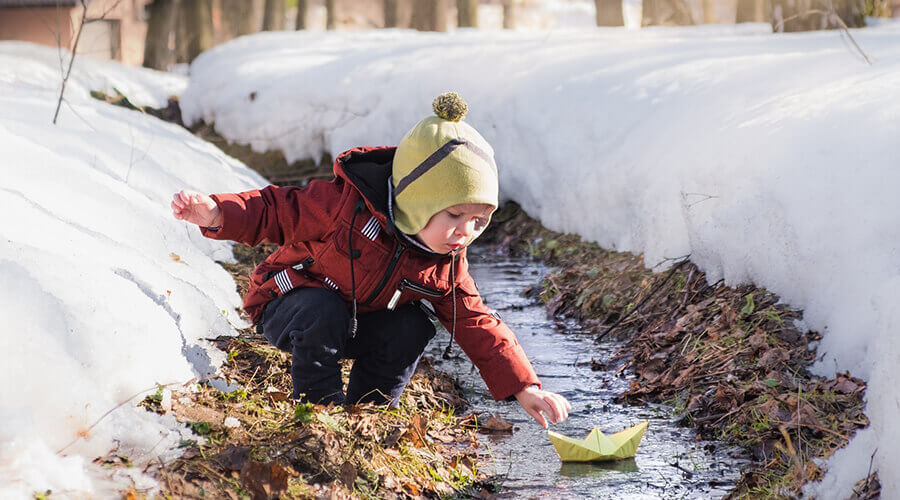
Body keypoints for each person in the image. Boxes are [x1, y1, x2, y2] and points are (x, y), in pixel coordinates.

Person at [171, 92, 570, 428]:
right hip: (289, 307)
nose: (465, 231)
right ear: (418, 200)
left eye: (479, 221)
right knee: (322, 309)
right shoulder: (344, 207)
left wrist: (525, 387)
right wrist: (217, 213)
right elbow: (277, 209)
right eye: (454, 215)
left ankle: (368, 415)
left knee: (412, 327)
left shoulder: (445, 261)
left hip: (356, 323)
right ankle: (319, 414)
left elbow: (474, 320)